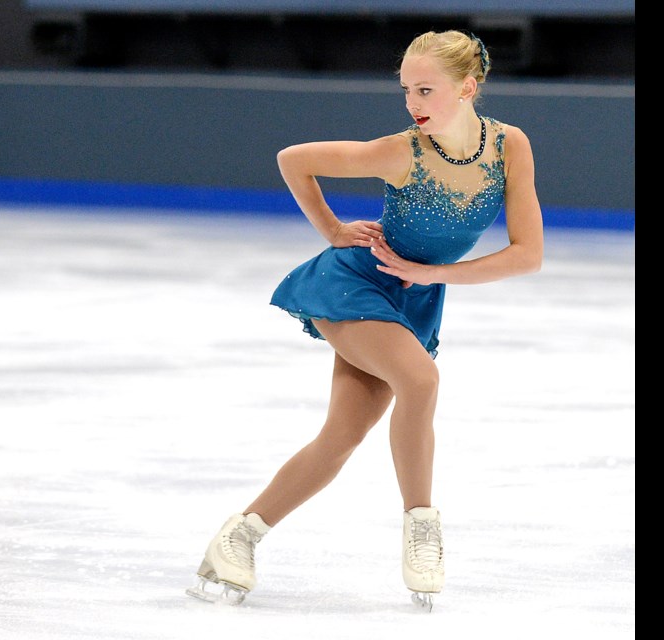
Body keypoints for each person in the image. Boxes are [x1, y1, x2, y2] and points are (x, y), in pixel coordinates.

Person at [186, 30, 543, 610]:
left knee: (341, 436)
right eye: (406, 90)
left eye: (425, 90)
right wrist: (332, 231)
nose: (413, 104)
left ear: (467, 87)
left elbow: (528, 254)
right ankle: (422, 530)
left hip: (413, 295)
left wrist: (432, 277)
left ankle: (237, 538)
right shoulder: (402, 151)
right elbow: (293, 160)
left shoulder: (510, 147)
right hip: (356, 283)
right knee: (421, 381)